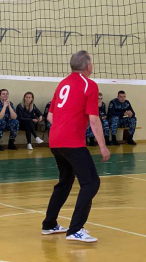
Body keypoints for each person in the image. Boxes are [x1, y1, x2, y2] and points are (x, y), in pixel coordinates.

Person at [42, 51, 110, 242]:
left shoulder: (62, 84)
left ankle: (49, 224)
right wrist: (103, 146)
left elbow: (50, 116)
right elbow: (94, 119)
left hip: (55, 140)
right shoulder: (89, 85)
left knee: (65, 181)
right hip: (72, 142)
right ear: (88, 66)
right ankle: (75, 229)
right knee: (91, 182)